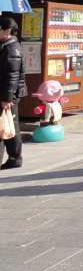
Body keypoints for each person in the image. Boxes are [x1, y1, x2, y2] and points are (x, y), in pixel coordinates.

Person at [0, 18, 25, 170]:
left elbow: (12, 76)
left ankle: (15, 158)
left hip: (8, 96)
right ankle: (14, 157)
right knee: (5, 125)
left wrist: (7, 98)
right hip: (5, 94)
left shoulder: (12, 49)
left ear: (7, 30)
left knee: (9, 125)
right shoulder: (6, 46)